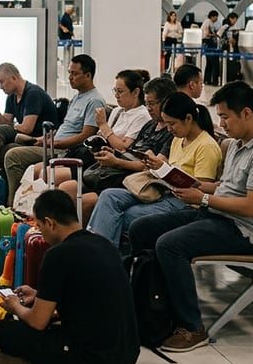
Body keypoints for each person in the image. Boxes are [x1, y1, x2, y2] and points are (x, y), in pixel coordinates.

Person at [128, 81, 253, 352]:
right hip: (216, 213)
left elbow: (252, 207)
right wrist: (196, 185)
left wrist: (201, 198)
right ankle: (153, 305)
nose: (221, 123)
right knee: (141, 228)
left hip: (242, 231)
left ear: (246, 113)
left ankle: (191, 326)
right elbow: (227, 186)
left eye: (225, 116)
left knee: (170, 244)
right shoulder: (239, 143)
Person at [0, 191, 138, 364]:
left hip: (92, 363)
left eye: (39, 227)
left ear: (50, 223)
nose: (40, 233)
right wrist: (40, 294)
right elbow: (87, 294)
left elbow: (38, 321)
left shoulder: (57, 255)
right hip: (127, 357)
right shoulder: (104, 244)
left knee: (3, 330)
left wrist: (15, 305)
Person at [86, 92, 222, 252]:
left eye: (172, 124)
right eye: (167, 124)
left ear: (189, 119)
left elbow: (199, 188)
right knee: (109, 196)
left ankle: (105, 258)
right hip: (162, 189)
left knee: (128, 215)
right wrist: (156, 166)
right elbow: (169, 168)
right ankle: (100, 255)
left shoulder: (206, 146)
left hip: (184, 202)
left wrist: (164, 170)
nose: (169, 129)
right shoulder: (179, 139)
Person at [54, 76, 178, 218]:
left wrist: (117, 160)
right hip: (114, 171)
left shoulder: (168, 131)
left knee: (86, 201)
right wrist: (113, 153)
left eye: (152, 104)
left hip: (130, 178)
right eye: (147, 104)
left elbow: (149, 166)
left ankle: (78, 235)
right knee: (66, 188)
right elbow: (128, 151)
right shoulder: (149, 125)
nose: (149, 108)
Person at [3, 54, 106, 204]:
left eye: (75, 73)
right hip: (55, 143)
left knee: (13, 156)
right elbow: (67, 127)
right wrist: (47, 139)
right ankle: (24, 203)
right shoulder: (77, 97)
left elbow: (85, 136)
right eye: (69, 73)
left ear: (88, 75)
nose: (70, 77)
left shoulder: (94, 100)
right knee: (11, 146)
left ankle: (13, 203)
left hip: (64, 149)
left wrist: (55, 144)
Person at [0, 62, 56, 172]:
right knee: (2, 149)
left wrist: (12, 127)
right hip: (22, 139)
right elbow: (4, 124)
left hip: (39, 140)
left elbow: (27, 128)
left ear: (13, 78)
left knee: (2, 133)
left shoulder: (33, 94)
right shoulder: (12, 97)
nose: (0, 87)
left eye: (2, 82)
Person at [200, 10, 222, 86]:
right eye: (216, 17)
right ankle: (213, 80)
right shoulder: (208, 22)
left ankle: (207, 79)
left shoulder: (208, 22)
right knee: (213, 62)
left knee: (209, 62)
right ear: (212, 16)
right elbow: (207, 34)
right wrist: (215, 35)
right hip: (208, 42)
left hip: (207, 42)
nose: (216, 19)